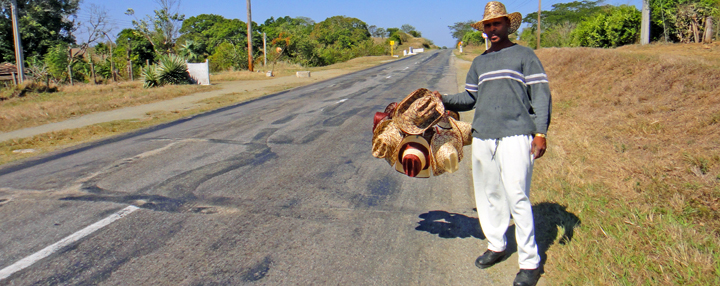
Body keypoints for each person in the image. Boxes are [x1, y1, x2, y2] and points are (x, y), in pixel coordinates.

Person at [437, 2, 551, 286]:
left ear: (507, 26)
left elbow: (540, 95)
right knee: (489, 194)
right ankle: (497, 245)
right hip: (483, 135)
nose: (491, 29)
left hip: (516, 134)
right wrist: (441, 98)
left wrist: (541, 133)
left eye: (496, 24)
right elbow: (470, 99)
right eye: (487, 26)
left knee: (517, 196)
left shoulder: (525, 55)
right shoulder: (479, 63)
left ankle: (530, 263)